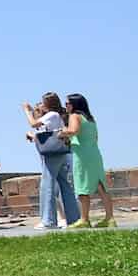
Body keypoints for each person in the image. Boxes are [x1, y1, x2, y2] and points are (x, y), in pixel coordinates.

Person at [22, 92, 80, 229]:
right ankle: (73, 218)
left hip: (52, 155)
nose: (41, 105)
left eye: (42, 102)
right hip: (59, 152)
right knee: (65, 185)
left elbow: (34, 124)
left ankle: (48, 220)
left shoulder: (52, 114)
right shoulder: (55, 116)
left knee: (47, 185)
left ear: (48, 104)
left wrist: (27, 111)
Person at [59, 93, 114, 228]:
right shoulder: (90, 119)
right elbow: (95, 138)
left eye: (67, 103)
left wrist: (62, 132)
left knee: (82, 186)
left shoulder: (74, 116)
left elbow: (74, 130)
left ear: (74, 104)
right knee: (101, 186)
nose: (66, 106)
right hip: (94, 154)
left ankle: (84, 219)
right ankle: (110, 218)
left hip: (82, 155)